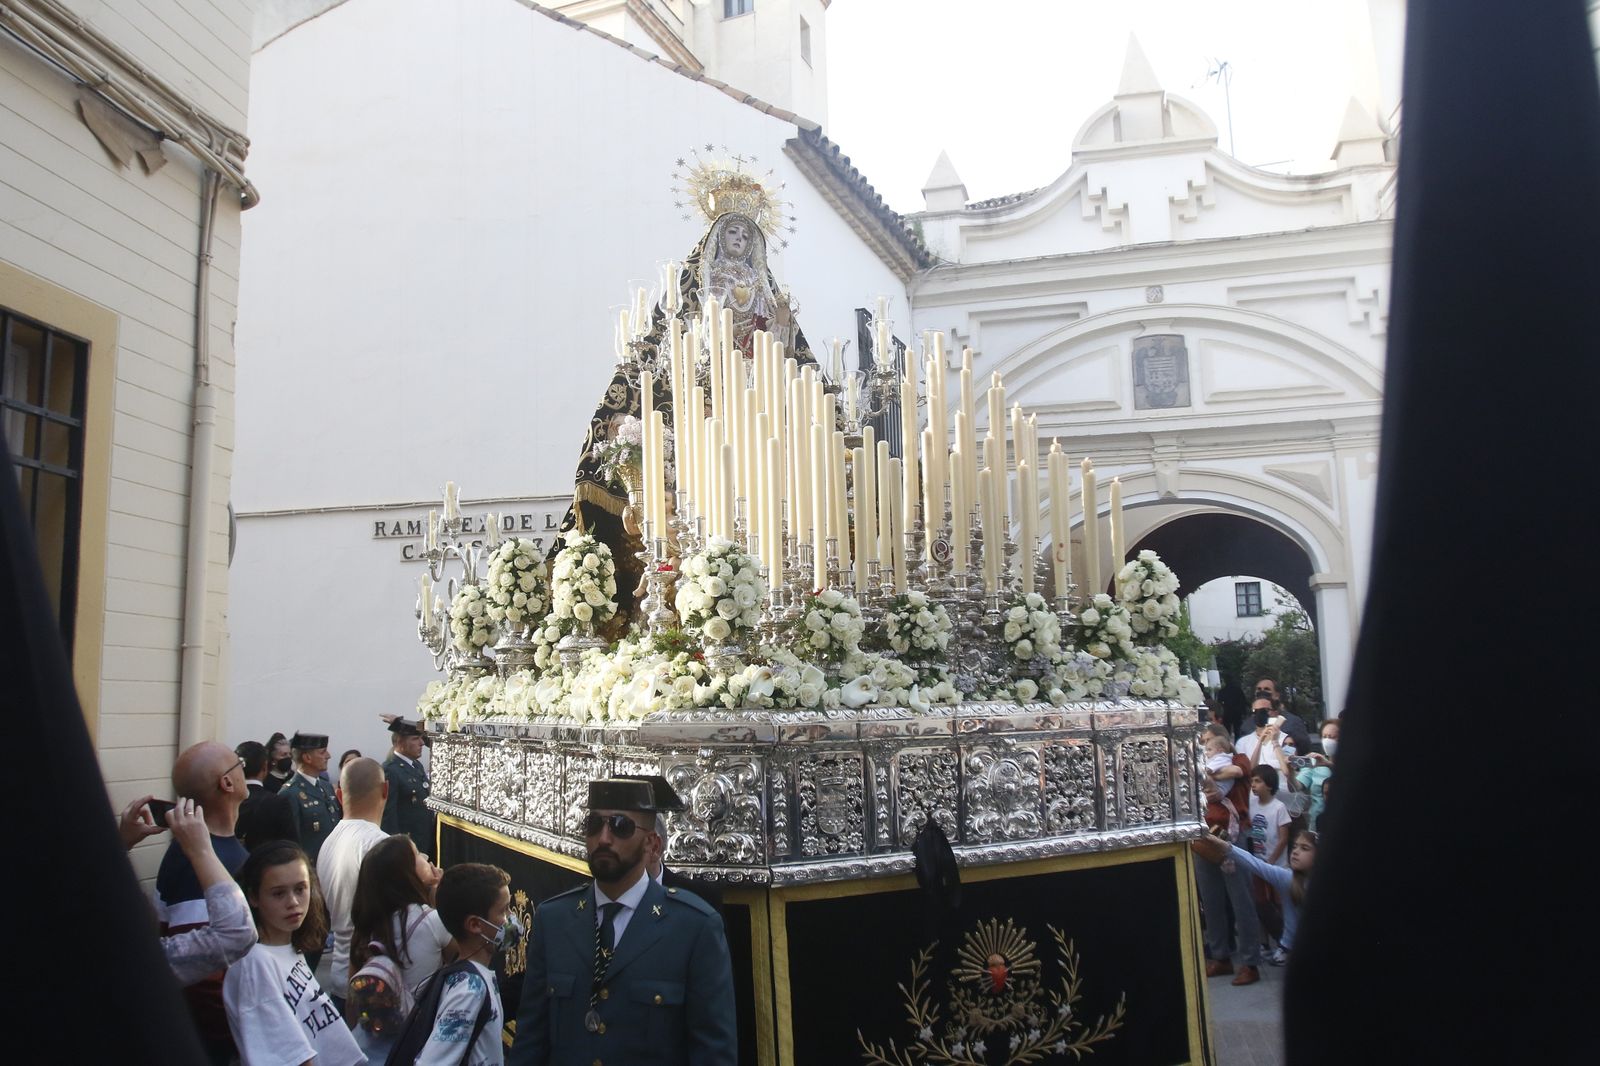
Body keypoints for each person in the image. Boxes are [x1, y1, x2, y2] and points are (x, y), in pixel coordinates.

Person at [509, 778, 737, 1066]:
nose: (604, 838)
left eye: (621, 826)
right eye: (594, 825)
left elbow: (713, 1052)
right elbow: (530, 1041)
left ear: (652, 844)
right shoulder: (554, 919)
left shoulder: (694, 927)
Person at [223, 841, 364, 1066]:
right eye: (278, 894)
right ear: (253, 897)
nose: (293, 902)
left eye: (300, 889)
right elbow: (287, 1055)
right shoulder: (255, 963)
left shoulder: (289, 948)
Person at [156, 741, 252, 1065]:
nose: (244, 769)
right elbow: (201, 973)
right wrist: (228, 1040)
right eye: (239, 764)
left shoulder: (215, 851)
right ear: (227, 783)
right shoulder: (197, 861)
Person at [120, 796, 256, 985]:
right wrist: (201, 850)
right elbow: (236, 935)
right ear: (226, 783)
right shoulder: (140, 961)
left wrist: (121, 846)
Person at [348, 834, 450, 1060]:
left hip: (367, 1045)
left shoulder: (366, 925)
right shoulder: (432, 921)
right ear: (407, 874)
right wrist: (439, 894)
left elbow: (352, 1001)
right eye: (418, 854)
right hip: (413, 1045)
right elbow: (460, 963)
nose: (426, 857)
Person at [415, 863, 513, 1066]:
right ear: (475, 924)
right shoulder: (470, 990)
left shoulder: (471, 978)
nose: (511, 917)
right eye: (504, 910)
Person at [316, 756, 392, 1012]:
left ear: (339, 795)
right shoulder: (380, 845)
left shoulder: (329, 841)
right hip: (372, 979)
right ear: (385, 790)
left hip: (340, 971)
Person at [1193, 730, 1262, 987]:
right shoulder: (1199, 759)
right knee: (1210, 899)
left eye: (1209, 740)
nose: (1205, 744)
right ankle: (1220, 955)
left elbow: (1237, 771)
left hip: (1231, 834)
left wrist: (1207, 773)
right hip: (1204, 835)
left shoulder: (1238, 758)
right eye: (1203, 742)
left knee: (1241, 899)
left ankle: (1250, 961)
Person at [1195, 828, 1317, 969]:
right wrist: (1226, 847)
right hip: (1291, 948)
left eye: (1304, 848)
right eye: (1295, 846)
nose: (1295, 851)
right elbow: (1255, 864)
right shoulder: (1287, 878)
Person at [283, 730, 342, 862]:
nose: (328, 756)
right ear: (307, 758)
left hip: (333, 861)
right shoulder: (290, 793)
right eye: (322, 752)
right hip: (311, 865)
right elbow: (291, 842)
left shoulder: (326, 786)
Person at [382, 717, 435, 858]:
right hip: (406, 846)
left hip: (423, 840)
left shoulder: (416, 765)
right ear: (400, 742)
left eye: (421, 738)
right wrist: (396, 848)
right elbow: (389, 815)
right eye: (415, 739)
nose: (422, 743)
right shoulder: (391, 770)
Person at [1295, 718, 1339, 829]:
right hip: (1317, 825)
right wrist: (1289, 771)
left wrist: (1328, 764)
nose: (1327, 741)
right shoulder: (1315, 761)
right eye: (1324, 737)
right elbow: (1296, 786)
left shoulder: (1351, 763)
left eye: (1332, 737)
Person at [1251, 676, 1312, 752]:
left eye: (1267, 689)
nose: (1262, 692)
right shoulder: (1248, 724)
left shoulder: (1293, 722)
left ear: (1277, 695)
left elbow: (1303, 749)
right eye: (1259, 689)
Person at [1235, 699, 1288, 778]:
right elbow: (1245, 771)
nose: (1259, 714)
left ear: (1275, 713)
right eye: (1255, 711)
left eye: (1265, 710)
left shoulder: (1286, 739)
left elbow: (1289, 769)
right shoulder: (1242, 742)